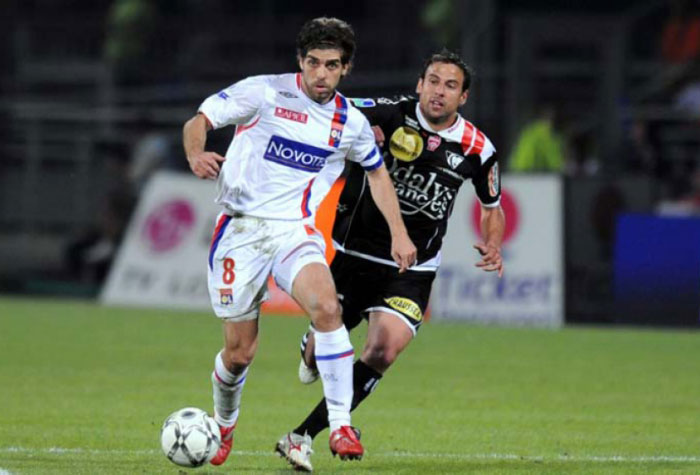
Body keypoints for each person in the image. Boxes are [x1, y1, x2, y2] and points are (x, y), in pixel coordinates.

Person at [182, 17, 416, 467]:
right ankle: (224, 425)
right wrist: (196, 153)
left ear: (345, 68)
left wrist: (399, 233)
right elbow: (200, 120)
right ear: (300, 62)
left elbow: (378, 173)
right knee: (239, 352)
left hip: (295, 229)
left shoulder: (351, 122)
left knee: (329, 309)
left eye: (331, 65)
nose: (320, 74)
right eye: (312, 63)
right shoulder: (265, 92)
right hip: (241, 230)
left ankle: (342, 426)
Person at [274, 49, 505, 472]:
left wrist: (493, 243)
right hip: (354, 254)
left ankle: (300, 435)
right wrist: (356, 132)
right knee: (319, 351)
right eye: (433, 81)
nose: (439, 92)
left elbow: (492, 206)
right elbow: (330, 107)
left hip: (412, 269)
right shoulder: (384, 113)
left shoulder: (479, 148)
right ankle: (312, 344)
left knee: (382, 350)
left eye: (450, 85)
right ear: (419, 85)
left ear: (464, 97)